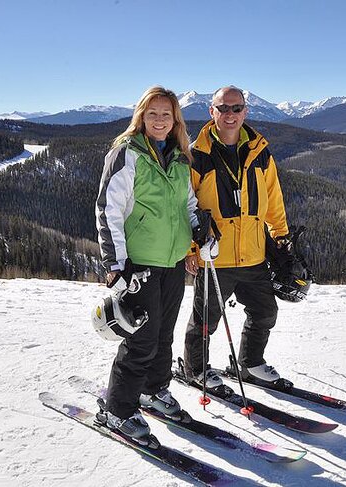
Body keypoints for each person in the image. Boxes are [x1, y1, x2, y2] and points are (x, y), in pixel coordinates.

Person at [95, 86, 210, 444]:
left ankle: (153, 390)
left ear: (176, 119)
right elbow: (107, 209)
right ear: (141, 117)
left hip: (173, 261)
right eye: (152, 113)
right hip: (138, 264)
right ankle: (118, 409)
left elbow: (188, 204)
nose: (160, 120)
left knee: (163, 336)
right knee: (140, 341)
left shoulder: (178, 158)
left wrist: (200, 231)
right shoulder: (126, 154)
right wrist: (115, 264)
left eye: (167, 114)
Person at [182, 85, 290, 389]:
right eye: (223, 108)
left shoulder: (259, 151)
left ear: (245, 111)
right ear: (211, 111)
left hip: (254, 254)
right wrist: (191, 248)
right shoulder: (197, 155)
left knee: (265, 312)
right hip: (214, 256)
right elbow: (184, 204)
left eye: (236, 108)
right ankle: (196, 369)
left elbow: (273, 197)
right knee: (205, 320)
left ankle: (251, 363)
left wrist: (280, 236)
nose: (230, 114)